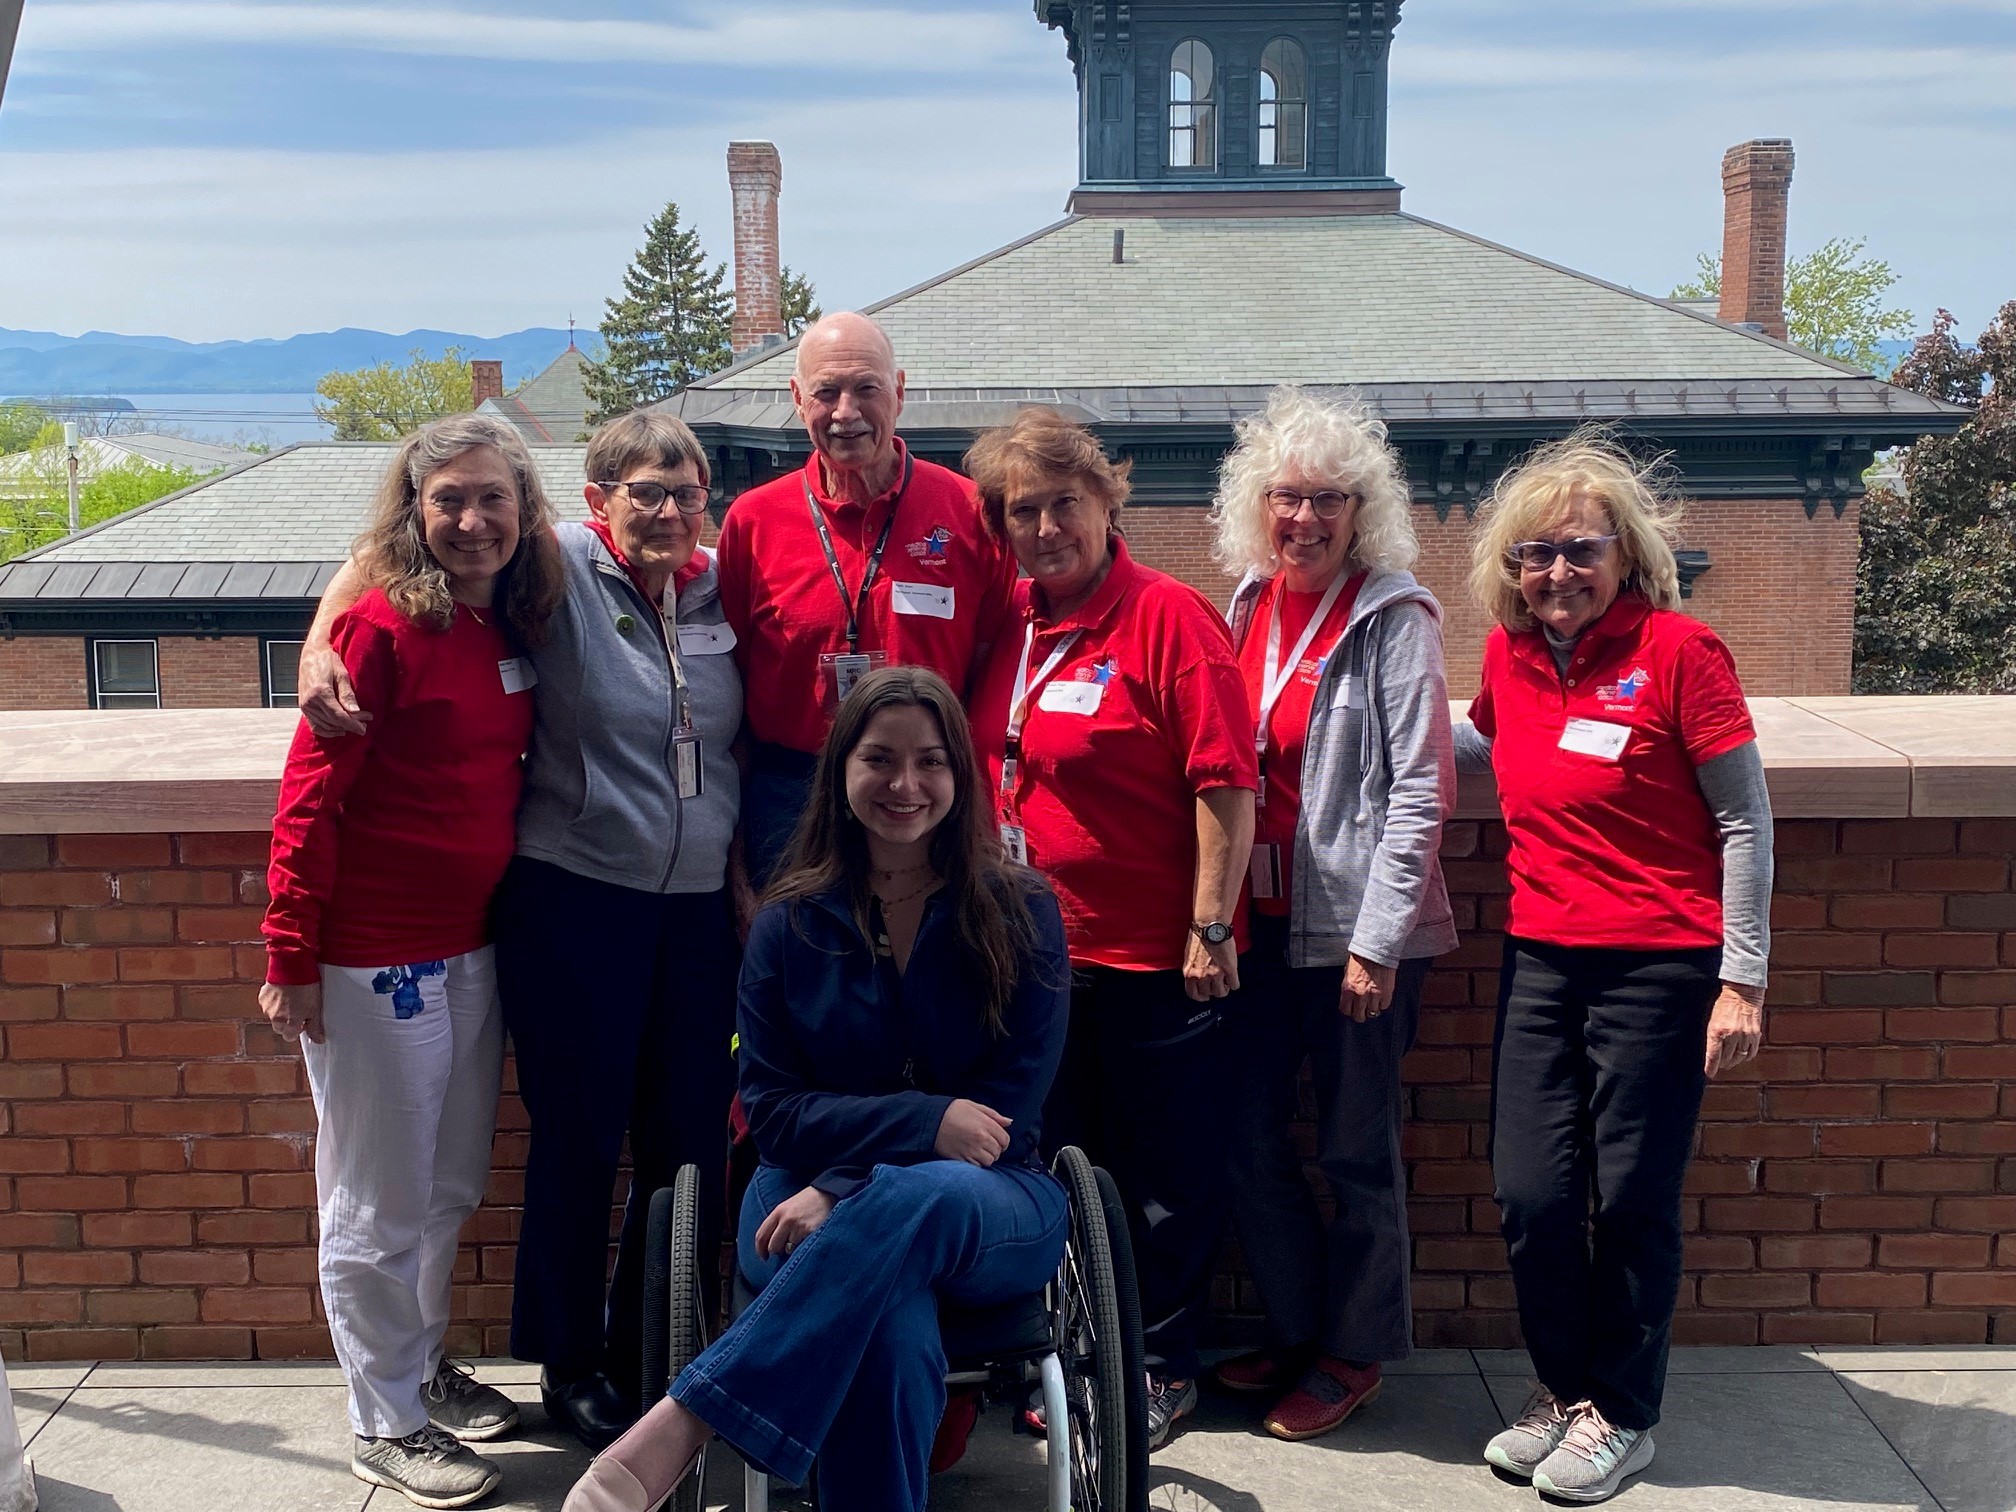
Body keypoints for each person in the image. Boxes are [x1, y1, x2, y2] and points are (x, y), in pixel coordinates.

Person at [296, 412, 744, 1452]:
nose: (666, 511)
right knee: (580, 1139)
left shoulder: (727, 587)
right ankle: (571, 1364)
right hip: (574, 896)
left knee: (687, 1140)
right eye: (643, 493)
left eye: (684, 492)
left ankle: (660, 1353)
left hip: (695, 916)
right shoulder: (561, 566)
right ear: (599, 504)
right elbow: (405, 542)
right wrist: (323, 637)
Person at [562, 667, 1072, 1512]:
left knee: (939, 1188)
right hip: (791, 1192)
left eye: (931, 762)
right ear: (839, 771)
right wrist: (924, 1120)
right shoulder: (785, 925)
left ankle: (689, 1417)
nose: (905, 785)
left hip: (989, 1205)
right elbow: (772, 1112)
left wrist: (847, 1190)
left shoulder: (1021, 910)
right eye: (880, 759)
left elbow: (1001, 1128)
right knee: (891, 1330)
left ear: (961, 775)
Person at [1459, 431, 1772, 1503]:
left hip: (1662, 968)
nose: (1556, 573)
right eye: (1534, 554)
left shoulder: (1683, 653)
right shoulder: (1508, 656)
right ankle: (1562, 1392)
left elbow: (1744, 822)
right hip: (1543, 959)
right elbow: (1482, 747)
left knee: (1632, 1198)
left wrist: (1744, 981)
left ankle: (1622, 1412)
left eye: (1579, 551)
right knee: (1531, 1194)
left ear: (1626, 556)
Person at [261, 413, 565, 1509]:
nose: (473, 520)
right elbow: (309, 797)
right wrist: (290, 951)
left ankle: (417, 1367)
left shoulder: (507, 616)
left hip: (470, 945)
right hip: (372, 955)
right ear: (414, 512)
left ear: (524, 512)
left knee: (445, 1186)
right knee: (375, 1196)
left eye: (493, 499)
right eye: (449, 501)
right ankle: (382, 1419)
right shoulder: (382, 626)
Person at [964, 408, 1257, 1448]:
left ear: (1107, 502)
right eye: (1023, 513)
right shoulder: (1016, 620)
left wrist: (1208, 926)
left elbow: (1226, 781)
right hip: (1035, 958)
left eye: (1063, 505)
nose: (1045, 529)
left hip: (1153, 961)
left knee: (1165, 1181)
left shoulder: (1169, 618)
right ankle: (1071, 1352)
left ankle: (1159, 1370)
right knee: (1055, 1168)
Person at [1208, 387, 1456, 1440]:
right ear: (1254, 506)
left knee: (1356, 1150)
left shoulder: (1395, 616)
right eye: (1285, 497)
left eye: (1328, 500)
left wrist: (1378, 939)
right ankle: (1300, 1325)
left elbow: (1420, 789)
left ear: (1363, 512)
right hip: (1258, 929)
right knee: (1250, 1137)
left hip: (1356, 938)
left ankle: (1353, 1352)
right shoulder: (1244, 606)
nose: (1303, 519)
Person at [714, 311, 1017, 884]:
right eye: (826, 392)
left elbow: (990, 672)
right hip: (791, 791)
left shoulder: (971, 514)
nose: (845, 413)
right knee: (796, 963)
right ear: (798, 399)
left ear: (899, 392)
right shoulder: (752, 522)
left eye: (866, 389)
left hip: (925, 787)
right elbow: (733, 684)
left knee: (923, 962)